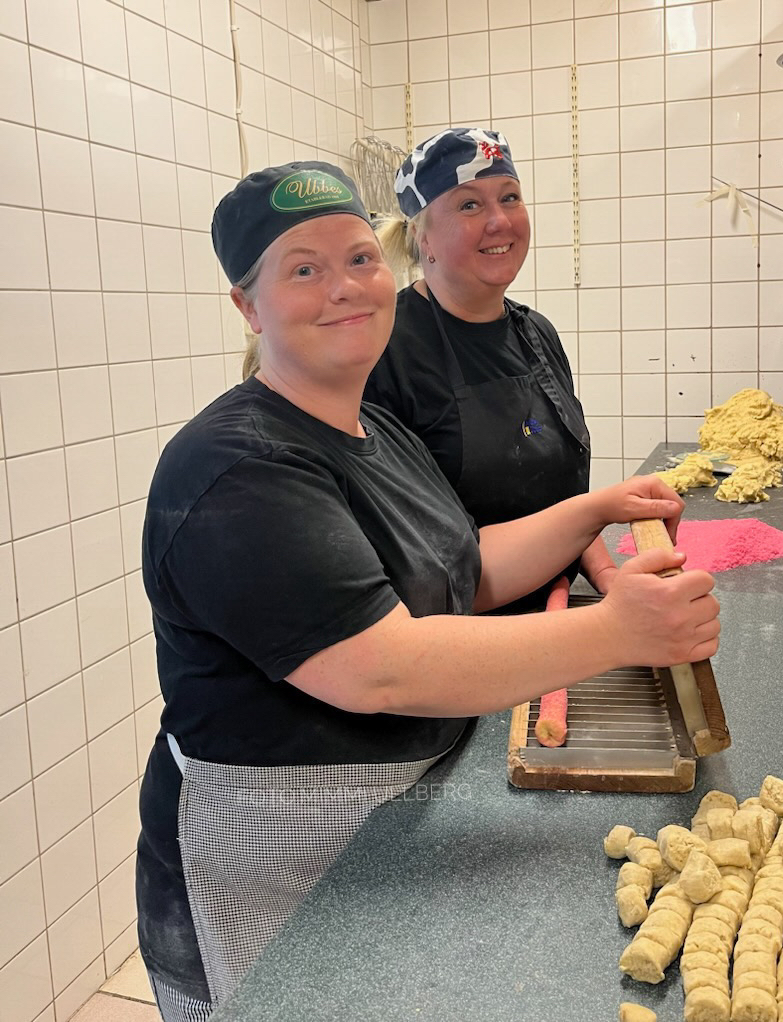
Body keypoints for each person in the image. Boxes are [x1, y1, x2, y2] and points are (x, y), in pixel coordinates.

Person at [136, 160, 719, 1022]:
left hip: (397, 805)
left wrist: (591, 510)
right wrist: (619, 633)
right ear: (248, 306)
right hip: (283, 839)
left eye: (359, 259)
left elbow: (461, 567)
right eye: (303, 268)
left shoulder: (371, 423)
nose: (345, 287)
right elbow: (379, 668)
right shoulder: (237, 467)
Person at [366, 127, 617, 609]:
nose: (500, 220)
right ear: (423, 238)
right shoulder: (385, 350)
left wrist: (608, 576)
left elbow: (560, 497)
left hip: (555, 614)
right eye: (469, 205)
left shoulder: (537, 333)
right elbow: (401, 553)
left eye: (510, 197)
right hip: (459, 641)